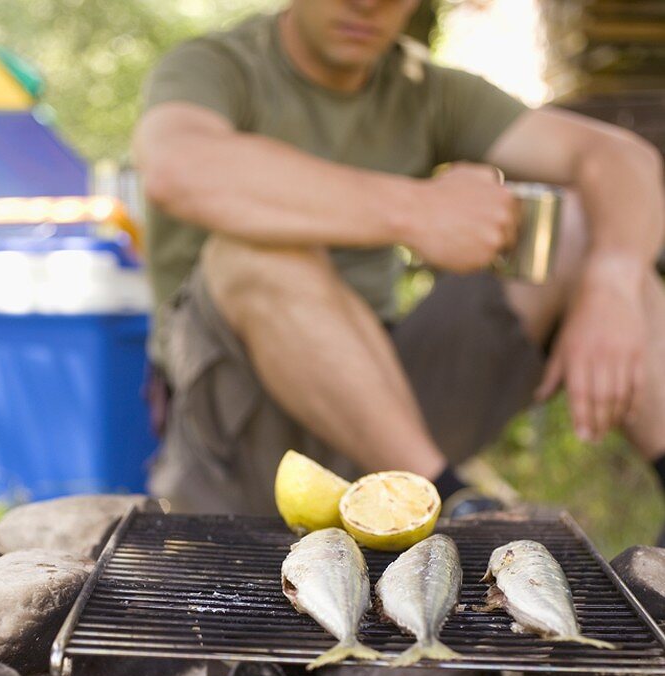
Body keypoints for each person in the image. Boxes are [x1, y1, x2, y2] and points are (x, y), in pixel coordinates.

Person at [134, 0, 665, 537]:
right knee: (251, 249)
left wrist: (615, 281)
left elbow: (622, 157)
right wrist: (416, 210)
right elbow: (177, 167)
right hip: (244, 441)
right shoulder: (216, 66)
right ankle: (457, 504)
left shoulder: (426, 89)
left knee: (584, 230)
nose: (366, 4)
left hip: (382, 401)